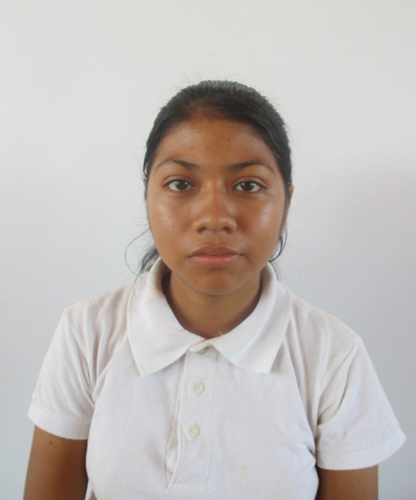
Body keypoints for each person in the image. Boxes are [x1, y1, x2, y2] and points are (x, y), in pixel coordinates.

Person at [24, 80, 405, 500]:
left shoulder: (334, 357)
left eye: (248, 185)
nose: (214, 218)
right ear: (147, 195)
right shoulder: (87, 332)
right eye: (180, 184)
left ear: (286, 203)